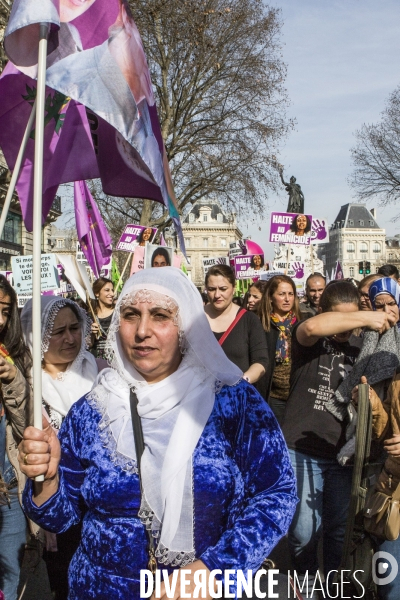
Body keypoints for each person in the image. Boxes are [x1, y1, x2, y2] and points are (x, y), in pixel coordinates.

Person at [19, 267, 298, 599]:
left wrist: (216, 569)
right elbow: (60, 517)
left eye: (160, 316)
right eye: (130, 315)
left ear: (185, 328)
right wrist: (47, 482)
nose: (141, 331)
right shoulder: (92, 409)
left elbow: (276, 494)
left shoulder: (233, 402)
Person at [281, 281, 395, 597]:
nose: (346, 330)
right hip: (301, 449)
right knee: (304, 532)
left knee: (336, 533)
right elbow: (316, 326)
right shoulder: (310, 340)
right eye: (341, 320)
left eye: (353, 320)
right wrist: (364, 317)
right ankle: (303, 583)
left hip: (343, 454)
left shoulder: (363, 347)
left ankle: (331, 589)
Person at [21, 297, 105, 600]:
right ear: (37, 336)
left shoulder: (103, 371)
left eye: (75, 328)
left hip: (103, 508)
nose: (70, 338)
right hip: (61, 512)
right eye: (58, 332)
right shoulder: (27, 388)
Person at [0, 276, 33, 600]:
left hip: (9, 487)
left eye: (6, 311)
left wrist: (12, 381)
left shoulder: (14, 355)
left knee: (9, 572)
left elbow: (26, 429)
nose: (0, 319)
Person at [204, 265, 268, 384]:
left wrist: (241, 382)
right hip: (199, 396)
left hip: (234, 397)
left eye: (223, 289)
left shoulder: (249, 320)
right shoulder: (195, 318)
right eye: (212, 289)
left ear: (233, 288)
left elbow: (261, 361)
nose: (217, 295)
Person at [259, 275, 302, 424]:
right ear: (271, 297)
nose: (287, 299)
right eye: (282, 294)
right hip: (272, 396)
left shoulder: (302, 324)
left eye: (290, 294)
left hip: (296, 395)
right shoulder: (261, 324)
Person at [90, 277, 115, 360]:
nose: (112, 294)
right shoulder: (90, 315)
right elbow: (87, 344)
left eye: (112, 290)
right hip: (97, 361)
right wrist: (91, 334)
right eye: (107, 290)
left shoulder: (118, 312)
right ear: (97, 293)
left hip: (116, 360)